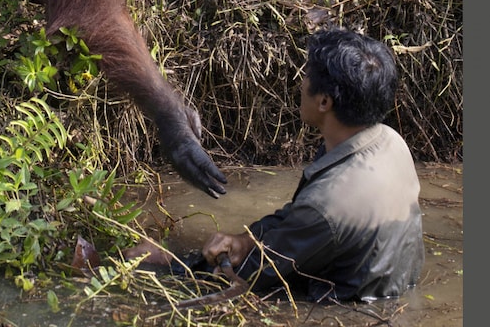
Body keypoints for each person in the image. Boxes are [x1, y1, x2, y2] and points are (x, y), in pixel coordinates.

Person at [124, 27, 424, 302]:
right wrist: (246, 240)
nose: (301, 82)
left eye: (307, 76)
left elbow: (251, 276)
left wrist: (167, 261)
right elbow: (296, 220)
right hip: (393, 288)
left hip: (345, 309)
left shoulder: (325, 206)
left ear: (324, 102)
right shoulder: (389, 141)